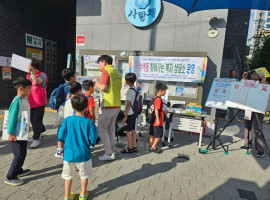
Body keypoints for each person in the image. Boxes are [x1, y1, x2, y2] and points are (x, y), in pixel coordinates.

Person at [58, 95, 97, 200]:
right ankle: (83, 194)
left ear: (72, 106)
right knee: (84, 175)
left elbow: (60, 136)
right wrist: (91, 143)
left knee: (68, 176)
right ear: (87, 107)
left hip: (69, 154)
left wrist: (60, 149)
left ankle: (67, 196)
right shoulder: (89, 122)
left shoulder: (67, 120)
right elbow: (93, 139)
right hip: (84, 154)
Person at [4, 77, 32, 186]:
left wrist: (27, 125)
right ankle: (10, 176)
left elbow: (24, 115)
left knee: (22, 152)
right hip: (16, 133)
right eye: (29, 88)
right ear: (21, 89)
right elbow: (12, 118)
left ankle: (18, 170)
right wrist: (10, 133)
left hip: (22, 131)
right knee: (19, 155)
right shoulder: (17, 102)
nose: (31, 90)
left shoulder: (24, 99)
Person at [93, 55, 122, 161]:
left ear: (103, 62)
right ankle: (111, 150)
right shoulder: (116, 72)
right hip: (117, 105)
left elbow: (103, 88)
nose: (99, 66)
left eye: (99, 63)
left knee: (102, 129)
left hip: (108, 105)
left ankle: (108, 153)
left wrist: (96, 82)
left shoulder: (106, 71)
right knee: (111, 128)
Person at [241, 71, 267, 158]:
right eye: (253, 74)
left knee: (257, 129)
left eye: (256, 74)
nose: (254, 75)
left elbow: (266, 92)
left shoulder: (265, 83)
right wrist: (244, 78)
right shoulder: (250, 82)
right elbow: (241, 87)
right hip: (248, 109)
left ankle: (260, 150)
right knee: (247, 126)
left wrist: (263, 82)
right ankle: (247, 144)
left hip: (258, 110)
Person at [55, 81, 83, 158]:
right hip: (74, 126)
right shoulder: (77, 102)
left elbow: (62, 113)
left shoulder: (67, 101)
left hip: (67, 125)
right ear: (79, 91)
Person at [26, 59, 48, 148]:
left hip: (39, 101)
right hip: (30, 101)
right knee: (32, 120)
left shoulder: (42, 75)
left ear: (33, 67)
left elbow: (35, 82)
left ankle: (36, 139)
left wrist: (32, 72)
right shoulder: (28, 75)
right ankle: (40, 131)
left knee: (36, 121)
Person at [121, 73, 138, 153]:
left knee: (127, 131)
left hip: (130, 113)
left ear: (128, 81)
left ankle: (130, 147)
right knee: (133, 129)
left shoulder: (129, 92)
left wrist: (125, 116)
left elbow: (128, 105)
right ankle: (134, 146)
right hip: (134, 112)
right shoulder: (136, 89)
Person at [149, 82, 168, 154]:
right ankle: (154, 147)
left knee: (152, 133)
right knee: (159, 134)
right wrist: (158, 119)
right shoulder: (159, 99)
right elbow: (156, 109)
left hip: (152, 120)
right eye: (165, 90)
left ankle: (151, 145)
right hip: (157, 120)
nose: (165, 92)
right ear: (161, 90)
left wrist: (163, 111)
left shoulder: (155, 98)